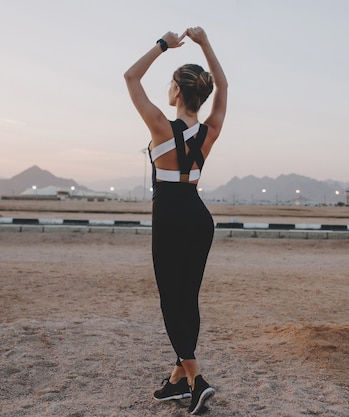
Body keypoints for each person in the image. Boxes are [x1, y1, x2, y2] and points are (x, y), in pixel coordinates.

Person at [124, 27, 227, 415]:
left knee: (172, 301)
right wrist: (205, 45)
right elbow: (225, 84)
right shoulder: (210, 131)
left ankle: (197, 380)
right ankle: (176, 382)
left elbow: (130, 77)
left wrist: (164, 45)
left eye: (171, 83)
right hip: (200, 218)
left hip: (169, 217)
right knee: (188, 300)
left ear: (178, 92)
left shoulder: (160, 127)